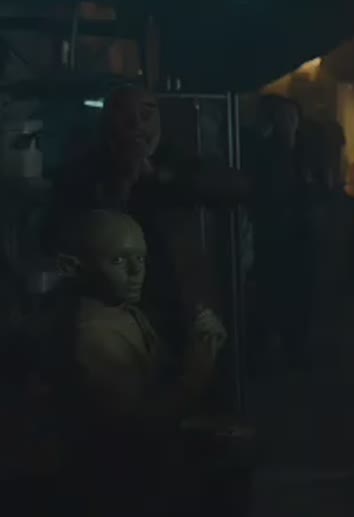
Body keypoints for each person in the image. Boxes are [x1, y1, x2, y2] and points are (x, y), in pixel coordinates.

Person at [44, 210, 226, 516]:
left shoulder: (124, 311)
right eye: (118, 260)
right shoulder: (95, 336)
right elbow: (141, 427)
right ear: (72, 266)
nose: (136, 271)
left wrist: (202, 341)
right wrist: (198, 367)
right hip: (119, 490)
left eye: (140, 259)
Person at [48, 85, 244, 358]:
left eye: (146, 115)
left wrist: (161, 177)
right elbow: (61, 233)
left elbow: (236, 187)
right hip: (115, 308)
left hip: (183, 302)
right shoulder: (84, 171)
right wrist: (121, 185)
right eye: (125, 116)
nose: (137, 125)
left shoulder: (176, 160)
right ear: (107, 123)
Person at [243, 95, 315, 371]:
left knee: (300, 292)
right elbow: (265, 192)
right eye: (283, 117)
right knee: (272, 291)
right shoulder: (265, 151)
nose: (289, 122)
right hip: (274, 233)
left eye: (292, 117)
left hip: (301, 233)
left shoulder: (304, 150)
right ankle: (267, 348)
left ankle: (295, 346)